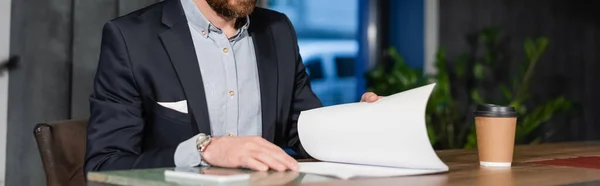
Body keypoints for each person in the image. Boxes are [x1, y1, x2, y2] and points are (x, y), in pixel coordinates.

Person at [84, 0, 382, 173]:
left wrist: (361, 124)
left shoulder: (278, 30)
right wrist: (203, 150)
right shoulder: (131, 38)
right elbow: (104, 165)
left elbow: (304, 130)